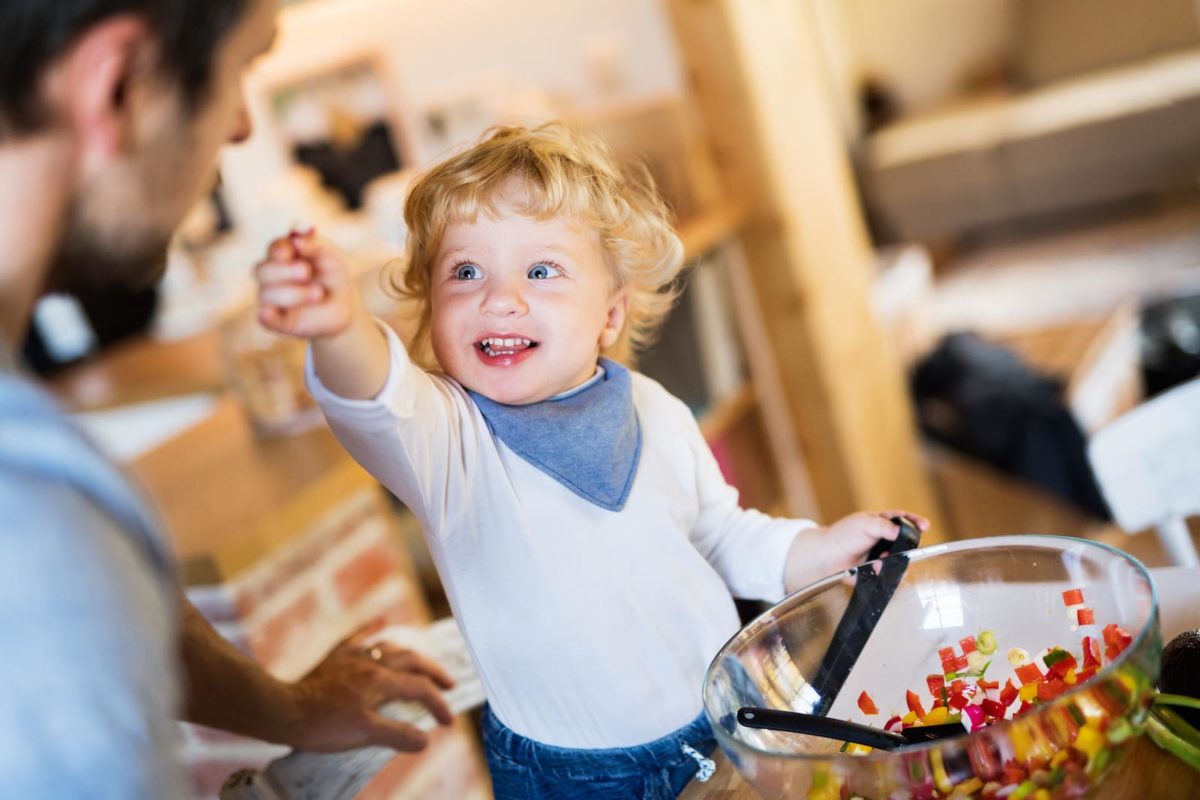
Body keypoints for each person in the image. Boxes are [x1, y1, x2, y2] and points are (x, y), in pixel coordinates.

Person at [254, 123, 929, 798]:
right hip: (576, 781)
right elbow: (373, 394)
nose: (499, 297)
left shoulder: (655, 408)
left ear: (609, 316)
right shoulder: (447, 442)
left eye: (541, 270)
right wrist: (337, 328)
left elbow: (719, 534)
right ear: (431, 311)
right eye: (465, 272)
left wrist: (818, 549)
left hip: (730, 720)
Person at [0, 2, 457, 797]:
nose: (242, 127)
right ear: (119, 87)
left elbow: (129, 604)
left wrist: (284, 709)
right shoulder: (33, 525)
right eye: (244, 66)